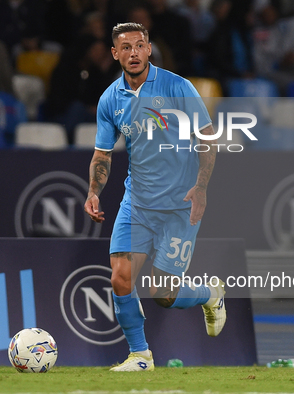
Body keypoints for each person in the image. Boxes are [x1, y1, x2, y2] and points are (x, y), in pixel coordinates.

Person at [83, 22, 226, 372]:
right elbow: (103, 154)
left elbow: (208, 139)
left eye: (139, 45)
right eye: (125, 47)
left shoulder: (178, 87)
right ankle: (140, 356)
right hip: (138, 204)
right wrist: (93, 191)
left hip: (180, 206)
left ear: (149, 49)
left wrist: (203, 187)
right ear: (115, 54)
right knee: (120, 277)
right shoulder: (110, 100)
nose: (133, 53)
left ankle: (210, 294)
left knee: (162, 295)